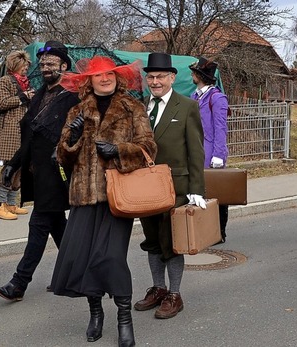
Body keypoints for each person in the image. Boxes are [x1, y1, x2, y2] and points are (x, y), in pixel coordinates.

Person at [50, 55, 156, 347]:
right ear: (89, 81)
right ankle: (95, 313)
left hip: (117, 195)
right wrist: (71, 136)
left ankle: (124, 318)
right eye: (98, 75)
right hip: (84, 196)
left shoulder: (133, 107)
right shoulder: (77, 110)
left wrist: (118, 150)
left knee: (110, 258)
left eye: (109, 74)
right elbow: (63, 155)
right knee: (84, 258)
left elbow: (149, 147)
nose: (104, 78)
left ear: (117, 77)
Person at [0, 41, 79, 301]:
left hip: (57, 172)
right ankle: (74, 272)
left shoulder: (73, 97)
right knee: (57, 226)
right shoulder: (40, 95)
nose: (45, 68)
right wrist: (13, 164)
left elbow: (79, 132)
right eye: (42, 64)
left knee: (39, 224)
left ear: (64, 66)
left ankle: (19, 283)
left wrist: (63, 149)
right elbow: (29, 137)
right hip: (37, 172)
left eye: (51, 63)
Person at [135, 52, 206, 320]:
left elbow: (196, 151)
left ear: (172, 78)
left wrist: (197, 190)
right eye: (151, 77)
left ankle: (175, 294)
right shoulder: (141, 107)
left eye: (160, 77)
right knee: (152, 240)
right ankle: (159, 288)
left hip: (176, 187)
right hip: (144, 187)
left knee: (173, 242)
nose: (155, 82)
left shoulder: (187, 106)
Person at [189, 56, 230, 242]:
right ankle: (204, 231)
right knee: (199, 193)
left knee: (217, 194)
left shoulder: (217, 98)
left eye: (194, 72)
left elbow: (220, 128)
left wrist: (218, 155)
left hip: (211, 152)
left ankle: (220, 232)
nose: (191, 75)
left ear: (200, 75)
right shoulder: (194, 96)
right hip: (196, 152)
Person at [0, 50, 35, 220]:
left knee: (20, 167)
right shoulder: (5, 81)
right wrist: (23, 97)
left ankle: (11, 203)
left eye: (27, 65)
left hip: (25, 128)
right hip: (10, 129)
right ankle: (0, 205)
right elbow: (2, 103)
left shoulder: (27, 82)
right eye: (23, 65)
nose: (26, 68)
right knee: (9, 166)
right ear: (15, 65)